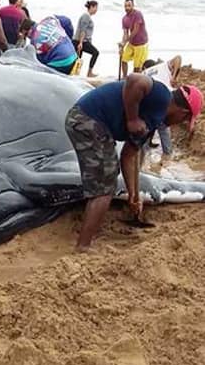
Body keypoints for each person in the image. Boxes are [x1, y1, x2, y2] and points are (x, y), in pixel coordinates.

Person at [65, 74, 202, 251]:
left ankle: (87, 232)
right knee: (104, 188)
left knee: (108, 176)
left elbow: (129, 156)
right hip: (87, 119)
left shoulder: (153, 121)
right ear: (183, 113)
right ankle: (83, 246)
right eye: (183, 120)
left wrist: (134, 195)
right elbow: (135, 80)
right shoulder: (162, 95)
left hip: (91, 124)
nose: (177, 124)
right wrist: (132, 119)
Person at [143, 55, 183, 160]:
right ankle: (167, 154)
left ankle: (145, 149)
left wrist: (174, 76)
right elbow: (178, 58)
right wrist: (174, 76)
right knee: (163, 126)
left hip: (148, 100)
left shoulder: (147, 72)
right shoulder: (163, 67)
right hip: (160, 100)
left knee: (149, 125)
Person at [120, 0, 148, 78]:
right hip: (132, 43)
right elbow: (125, 33)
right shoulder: (124, 19)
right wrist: (122, 44)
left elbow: (136, 30)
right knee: (124, 60)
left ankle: (135, 80)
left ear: (133, 6)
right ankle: (124, 77)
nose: (127, 8)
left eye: (129, 5)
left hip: (141, 44)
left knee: (136, 67)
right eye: (125, 6)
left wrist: (126, 41)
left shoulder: (138, 14)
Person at [73, 0, 99, 78]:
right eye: (96, 7)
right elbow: (83, 30)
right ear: (91, 7)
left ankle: (76, 74)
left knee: (78, 58)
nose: (96, 10)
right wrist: (80, 43)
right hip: (80, 41)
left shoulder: (87, 16)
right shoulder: (86, 16)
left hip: (82, 41)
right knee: (95, 53)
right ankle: (89, 73)